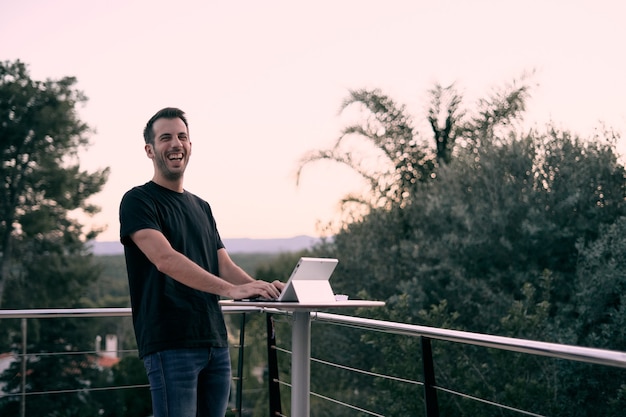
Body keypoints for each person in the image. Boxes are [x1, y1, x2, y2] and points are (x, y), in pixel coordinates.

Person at [119, 107, 284, 417]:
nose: (176, 143)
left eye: (182, 136)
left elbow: (223, 264)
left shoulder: (201, 207)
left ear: (191, 146)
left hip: (214, 342)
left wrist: (258, 288)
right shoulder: (138, 200)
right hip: (170, 342)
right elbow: (165, 259)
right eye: (165, 137)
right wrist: (231, 291)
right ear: (149, 149)